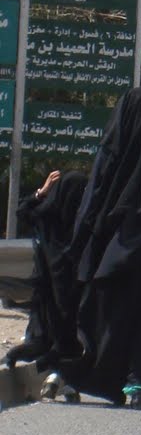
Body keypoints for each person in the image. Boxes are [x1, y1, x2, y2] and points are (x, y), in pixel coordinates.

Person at [60, 86, 141, 408]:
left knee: (101, 311)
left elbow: (94, 194)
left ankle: (81, 375)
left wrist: (80, 239)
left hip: (113, 245)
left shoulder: (115, 148)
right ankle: (135, 384)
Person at [6, 168, 88, 399]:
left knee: (50, 340)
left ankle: (56, 379)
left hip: (46, 305)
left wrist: (41, 192)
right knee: (67, 342)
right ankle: (62, 381)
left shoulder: (47, 219)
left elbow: (23, 211)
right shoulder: (81, 231)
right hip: (68, 305)